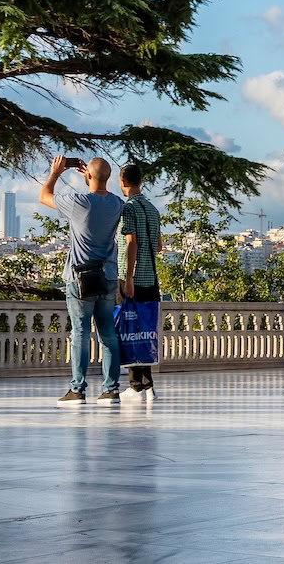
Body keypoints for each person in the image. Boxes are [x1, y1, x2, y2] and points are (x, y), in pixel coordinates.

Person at [40, 153, 126, 404]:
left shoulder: (79, 202)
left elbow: (44, 196)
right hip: (108, 276)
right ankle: (111, 389)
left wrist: (56, 173)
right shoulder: (117, 204)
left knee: (80, 333)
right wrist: (92, 177)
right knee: (108, 333)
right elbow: (100, 191)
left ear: (88, 175)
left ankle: (77, 389)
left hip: (80, 277)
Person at [116, 164, 163, 396]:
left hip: (132, 279)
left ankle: (136, 386)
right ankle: (148, 384)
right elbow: (159, 246)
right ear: (140, 181)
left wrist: (128, 277)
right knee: (145, 331)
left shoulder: (129, 208)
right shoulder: (153, 209)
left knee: (129, 330)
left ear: (122, 182)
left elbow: (130, 242)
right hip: (151, 278)